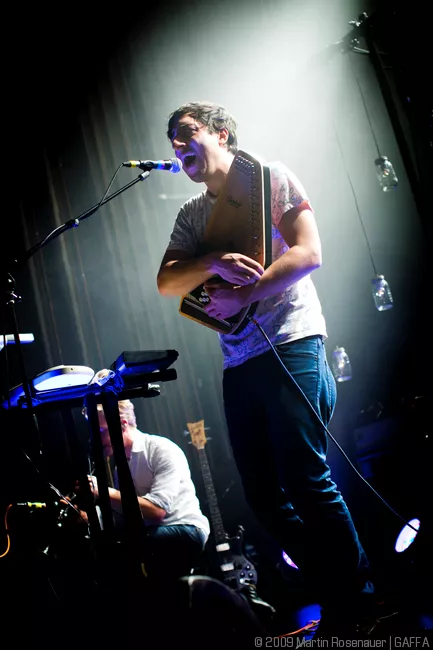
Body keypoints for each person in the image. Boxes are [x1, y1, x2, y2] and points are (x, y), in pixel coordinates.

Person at [157, 101, 377, 636]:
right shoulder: (191, 215)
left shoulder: (270, 177)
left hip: (292, 342)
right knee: (261, 494)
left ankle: (359, 601)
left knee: (306, 480)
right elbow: (167, 281)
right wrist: (210, 262)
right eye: (172, 142)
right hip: (238, 360)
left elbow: (309, 252)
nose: (178, 147)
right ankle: (337, 589)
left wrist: (246, 293)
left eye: (187, 133)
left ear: (221, 134)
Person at [80, 370, 210, 583]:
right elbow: (126, 515)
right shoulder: (121, 466)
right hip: (152, 533)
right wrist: (87, 517)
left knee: (124, 547)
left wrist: (103, 491)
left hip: (186, 530)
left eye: (101, 431)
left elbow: (156, 511)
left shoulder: (161, 449)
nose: (96, 440)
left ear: (122, 424)